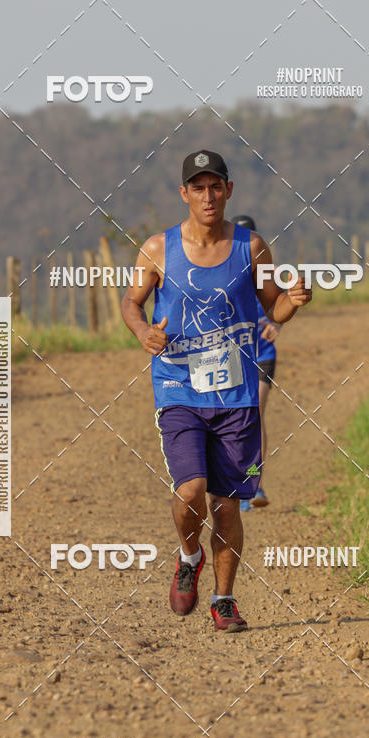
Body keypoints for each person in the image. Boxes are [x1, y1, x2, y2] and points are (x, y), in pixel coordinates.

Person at [121, 150, 311, 632]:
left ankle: (224, 601)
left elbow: (274, 310)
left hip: (237, 395)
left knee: (226, 504)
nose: (208, 196)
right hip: (178, 387)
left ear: (229, 190)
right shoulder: (157, 248)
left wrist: (294, 300)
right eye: (198, 187)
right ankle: (189, 556)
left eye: (216, 186)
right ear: (184, 194)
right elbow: (131, 301)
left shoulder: (253, 248)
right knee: (190, 492)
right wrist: (144, 332)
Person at [231, 215, 279, 512]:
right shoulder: (223, 273)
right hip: (232, 360)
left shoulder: (264, 271)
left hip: (262, 356)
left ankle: (254, 483)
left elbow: (280, 304)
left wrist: (278, 326)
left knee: (255, 417)